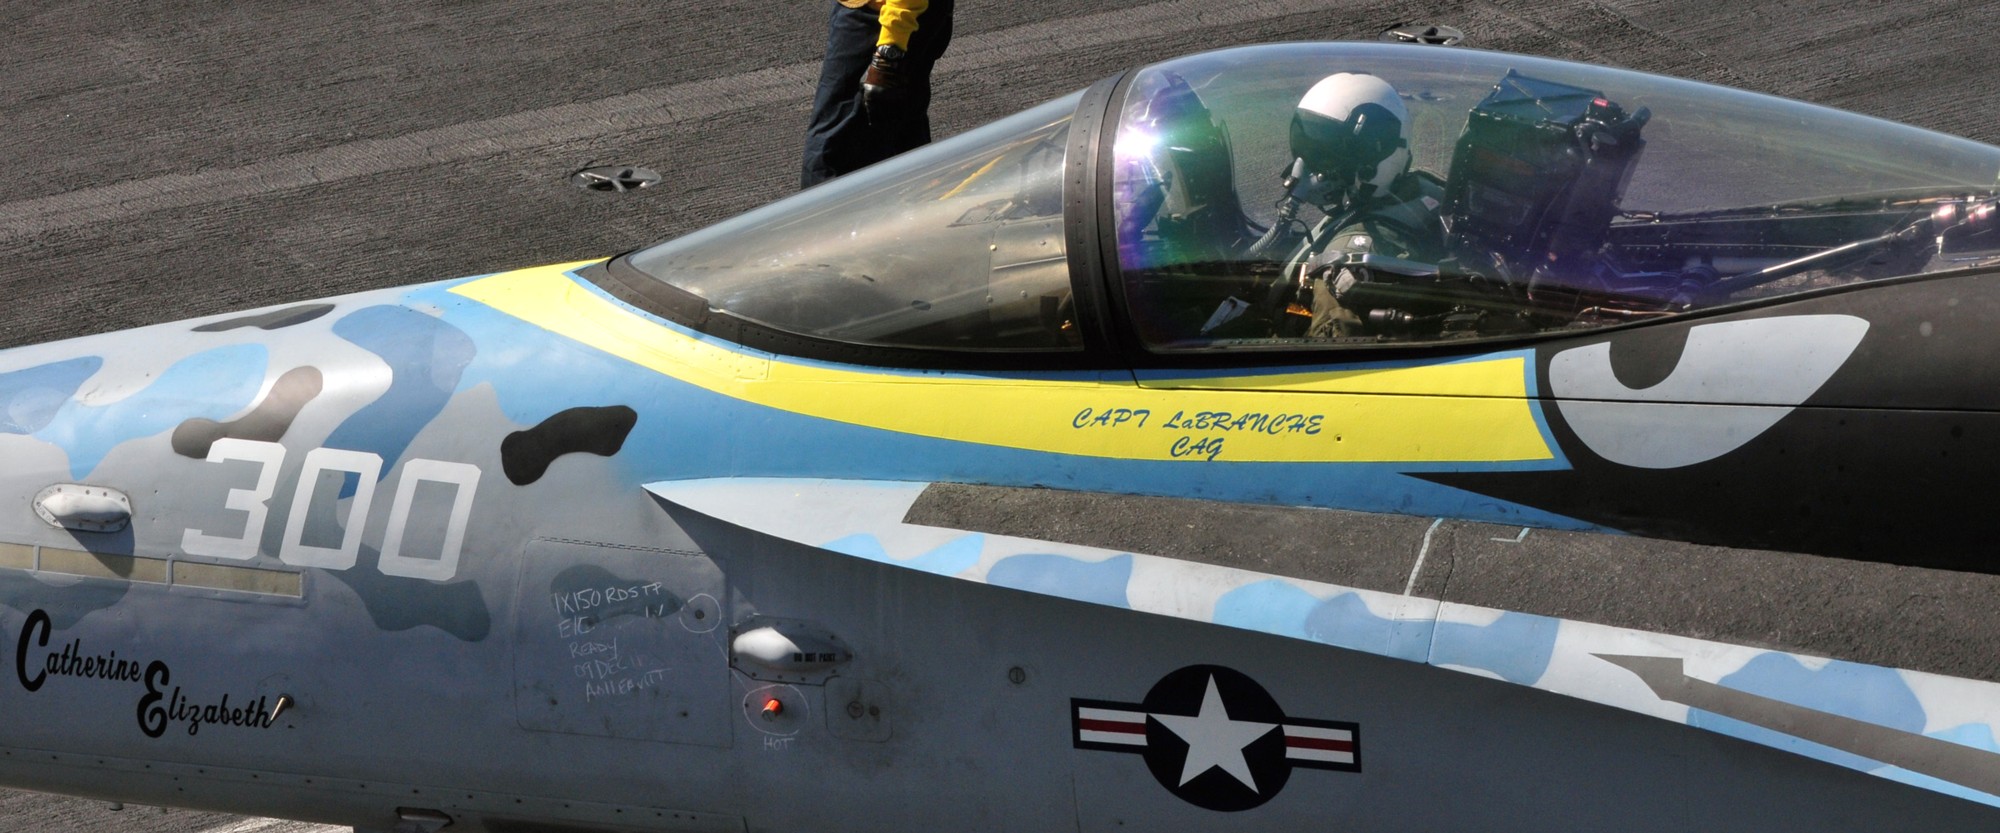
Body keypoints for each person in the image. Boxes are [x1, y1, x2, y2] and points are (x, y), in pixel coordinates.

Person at [1263, 72, 1446, 338]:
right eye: (1305, 149)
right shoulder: (1423, 191)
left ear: (1375, 156)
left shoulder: (1343, 266)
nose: (1303, 168)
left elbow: (1327, 365)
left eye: (1323, 155)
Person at [801, 0, 955, 188]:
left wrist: (888, 51)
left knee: (833, 146)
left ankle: (823, 215)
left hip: (884, 17)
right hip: (906, 16)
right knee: (901, 133)